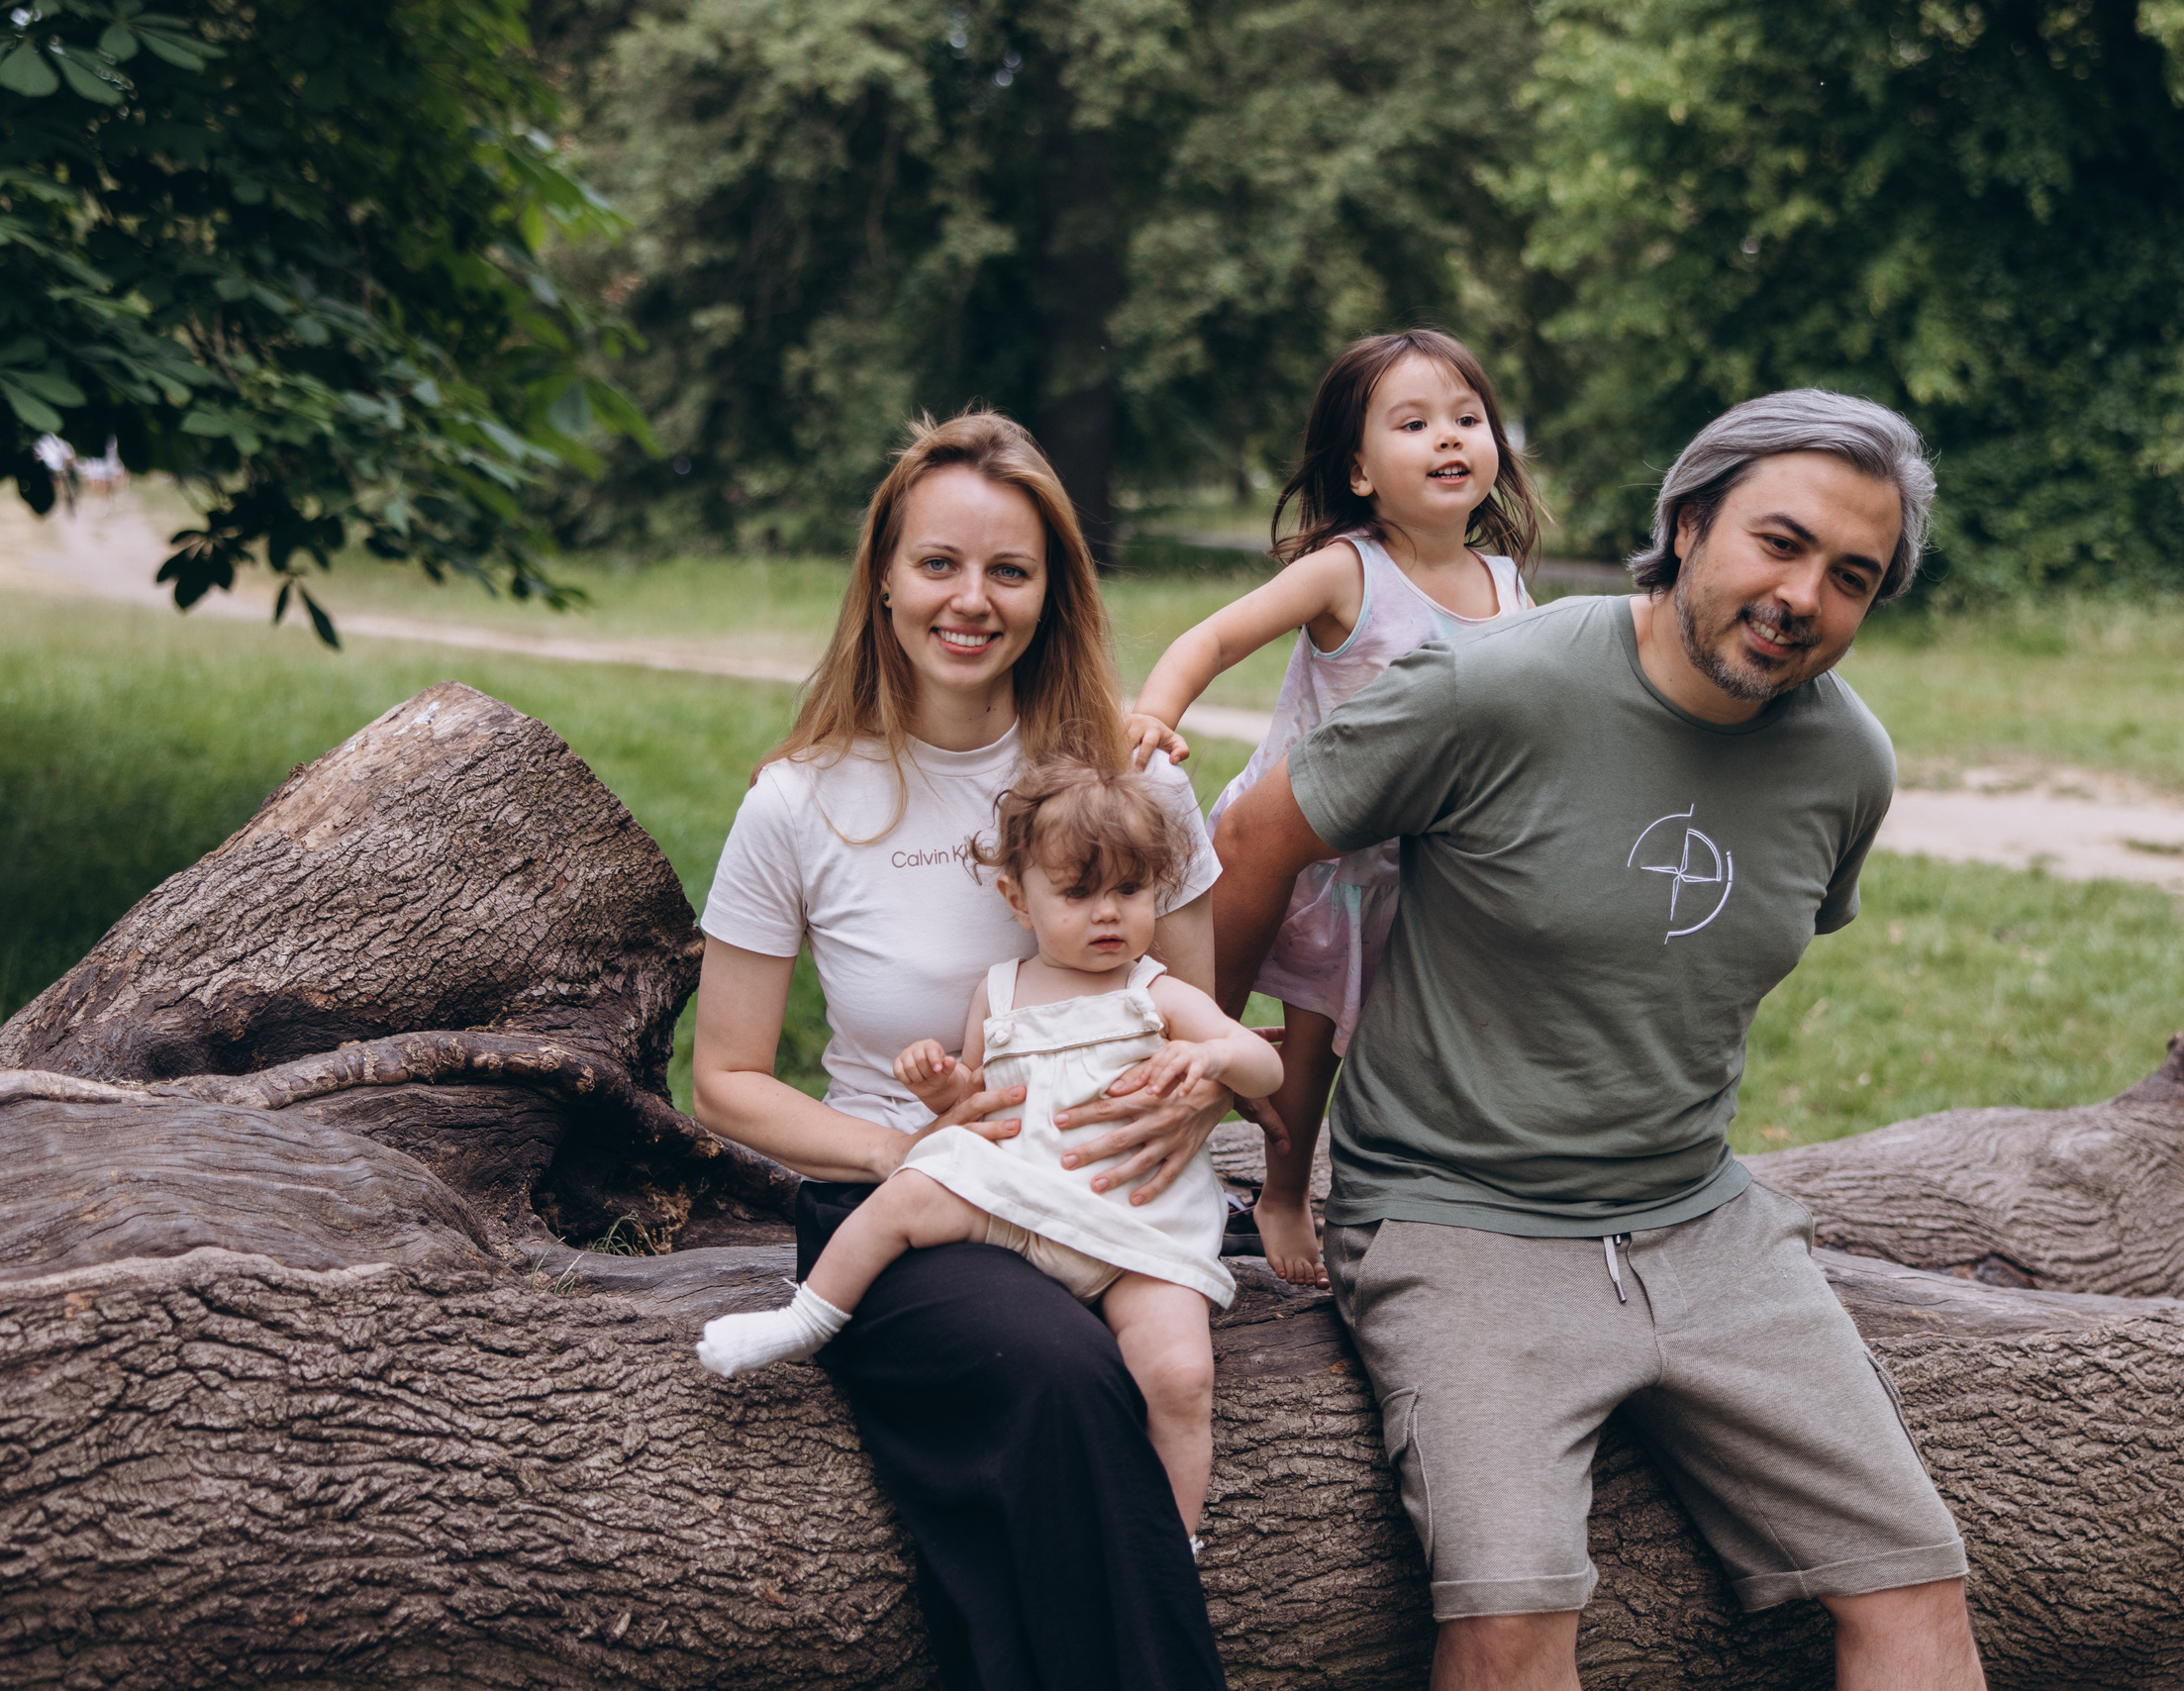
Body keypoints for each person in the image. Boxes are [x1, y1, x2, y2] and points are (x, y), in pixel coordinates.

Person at [1209, 389, 1989, 1690]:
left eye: (1852, 577)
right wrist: (1204, 1067)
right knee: (1510, 1628)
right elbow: (1252, 840)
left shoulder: (1849, 762)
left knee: (1917, 1588)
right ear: (1687, 524)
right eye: (1780, 542)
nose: (1805, 595)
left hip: (1704, 1220)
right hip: (1458, 1215)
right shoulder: (1493, 684)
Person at [691, 410, 1235, 1691]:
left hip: (1109, 1188)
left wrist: (1189, 1112)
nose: (971, 600)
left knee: (1115, 1363)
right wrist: (904, 1147)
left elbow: (1198, 1019)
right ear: (884, 576)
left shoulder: (1132, 780)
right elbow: (726, 1083)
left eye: (1010, 569)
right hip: (901, 1202)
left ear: (1053, 590)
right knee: (1048, 1371)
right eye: (939, 563)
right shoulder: (801, 799)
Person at [696, 755, 1281, 1547]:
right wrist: (943, 1090)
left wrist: (1214, 1059)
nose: (1108, 914)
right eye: (1078, 893)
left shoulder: (1157, 994)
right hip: (1019, 1201)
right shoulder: (1000, 991)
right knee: (908, 1190)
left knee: (1179, 1375)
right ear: (1019, 899)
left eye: (1131, 892)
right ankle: (807, 1318)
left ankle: (1169, 1539)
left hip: (1137, 1230)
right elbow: (977, 1098)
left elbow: (1263, 1063)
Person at [1126, 329, 1546, 1286]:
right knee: (1200, 1019)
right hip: (1292, 855)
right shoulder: (1347, 572)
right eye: (1414, 423)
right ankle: (1150, 1165)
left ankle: (1291, 1193)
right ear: (1359, 470)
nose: (1449, 439)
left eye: (1467, 419)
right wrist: (1156, 712)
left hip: (1406, 866)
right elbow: (1217, 637)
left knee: (1317, 1048)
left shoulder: (1509, 585)